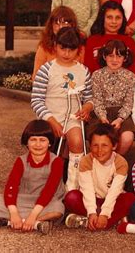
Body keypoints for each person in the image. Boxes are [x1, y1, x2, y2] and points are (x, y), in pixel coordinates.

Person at [31, 27, 93, 192]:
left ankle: (72, 185)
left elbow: (89, 97)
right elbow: (36, 100)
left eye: (71, 50)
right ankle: (42, 182)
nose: (66, 53)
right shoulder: (46, 70)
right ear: (55, 46)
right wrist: (51, 120)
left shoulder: (83, 71)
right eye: (62, 48)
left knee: (77, 141)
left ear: (78, 50)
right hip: (50, 116)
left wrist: (87, 107)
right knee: (43, 143)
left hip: (73, 117)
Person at [0, 120, 65, 235]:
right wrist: (14, 212)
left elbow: (49, 191)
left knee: (59, 208)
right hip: (25, 199)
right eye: (33, 140)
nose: (38, 144)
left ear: (50, 143)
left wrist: (33, 215)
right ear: (27, 142)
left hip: (48, 201)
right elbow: (11, 186)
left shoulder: (56, 161)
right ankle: (37, 223)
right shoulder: (21, 160)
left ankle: (13, 222)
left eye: (42, 140)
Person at [63, 123, 135, 231]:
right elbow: (87, 189)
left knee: (131, 199)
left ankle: (94, 222)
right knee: (71, 197)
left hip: (112, 201)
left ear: (114, 146)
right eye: (95, 145)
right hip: (92, 201)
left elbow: (115, 191)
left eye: (105, 145)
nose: (99, 150)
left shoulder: (121, 163)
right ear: (90, 146)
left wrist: (105, 214)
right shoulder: (86, 161)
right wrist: (92, 212)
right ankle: (109, 220)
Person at [91, 39, 135, 155]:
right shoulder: (96, 75)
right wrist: (102, 117)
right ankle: (99, 162)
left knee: (127, 136)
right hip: (100, 113)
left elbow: (129, 101)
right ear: (104, 56)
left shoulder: (130, 76)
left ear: (125, 58)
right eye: (111, 56)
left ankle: (115, 162)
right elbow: (97, 99)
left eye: (119, 56)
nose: (114, 60)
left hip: (121, 114)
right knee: (99, 136)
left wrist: (120, 119)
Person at [84, 0, 135, 75]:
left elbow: (134, 71)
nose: (114, 21)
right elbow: (88, 69)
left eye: (118, 18)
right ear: (102, 18)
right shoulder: (92, 41)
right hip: (97, 84)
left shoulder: (130, 42)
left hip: (125, 84)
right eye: (109, 17)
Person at [32, 6, 83, 80]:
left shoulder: (81, 47)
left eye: (65, 23)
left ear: (72, 25)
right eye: (57, 23)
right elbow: (36, 77)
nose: (61, 27)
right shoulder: (44, 47)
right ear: (51, 25)